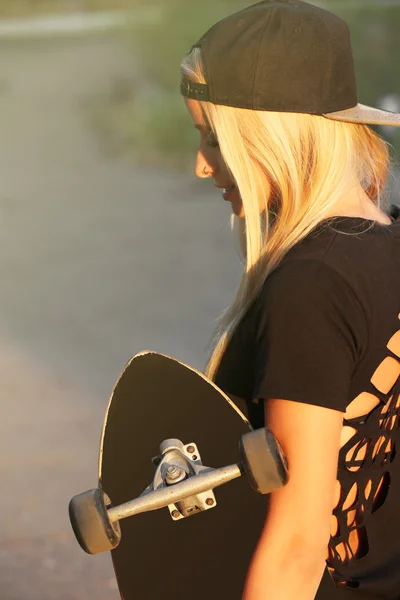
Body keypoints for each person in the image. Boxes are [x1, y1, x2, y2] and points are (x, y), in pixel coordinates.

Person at [180, 1, 400, 599]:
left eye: (215, 139)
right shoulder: (387, 242)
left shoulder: (310, 287)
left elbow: (300, 544)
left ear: (274, 136)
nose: (201, 166)